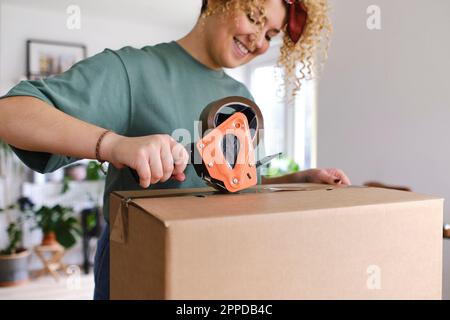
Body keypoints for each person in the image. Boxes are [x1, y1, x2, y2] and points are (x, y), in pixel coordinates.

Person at [0, 0, 350, 300]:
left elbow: (232, 188)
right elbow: (11, 112)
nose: (259, 40)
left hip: (221, 259)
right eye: (255, 17)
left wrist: (293, 181)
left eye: (272, 34)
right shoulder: (134, 70)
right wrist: (114, 145)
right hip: (140, 257)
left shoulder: (242, 99)